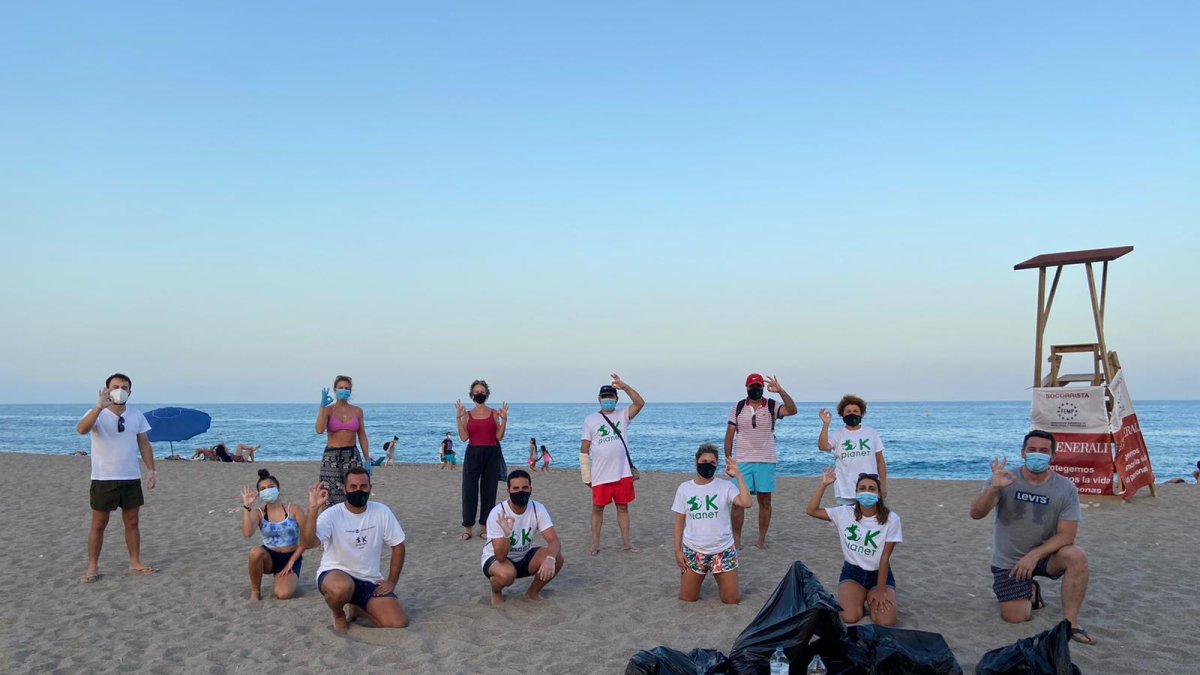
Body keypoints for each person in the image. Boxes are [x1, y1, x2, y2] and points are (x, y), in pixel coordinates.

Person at [969, 430, 1096, 645]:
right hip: (1010, 561)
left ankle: (1071, 624)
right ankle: (1031, 590)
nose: (1038, 454)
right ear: (1023, 453)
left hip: (1045, 556)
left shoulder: (1065, 488)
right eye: (1032, 449)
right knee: (1015, 617)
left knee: (1077, 556)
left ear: (1053, 456)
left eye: (1044, 451)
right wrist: (993, 489)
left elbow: (1067, 535)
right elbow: (976, 514)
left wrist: (1034, 556)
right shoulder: (1004, 479)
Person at [300, 468, 409, 630]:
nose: (358, 490)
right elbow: (308, 543)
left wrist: (392, 581)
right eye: (353, 487)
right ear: (345, 489)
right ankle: (338, 613)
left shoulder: (381, 511)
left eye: (363, 486)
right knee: (341, 588)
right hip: (336, 574)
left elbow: (398, 545)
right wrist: (313, 510)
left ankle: (358, 608)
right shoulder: (332, 514)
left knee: (397, 623)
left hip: (369, 579)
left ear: (370, 488)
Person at [75, 373, 158, 583]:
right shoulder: (97, 413)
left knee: (132, 521)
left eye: (124, 387)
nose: (120, 390)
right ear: (107, 390)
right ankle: (92, 567)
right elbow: (81, 430)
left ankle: (135, 562)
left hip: (130, 477)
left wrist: (151, 470)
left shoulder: (136, 415)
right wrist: (98, 407)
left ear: (130, 391)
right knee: (99, 523)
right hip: (103, 478)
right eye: (115, 386)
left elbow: (143, 442)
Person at [806, 468, 902, 625]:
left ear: (879, 494)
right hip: (853, 573)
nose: (867, 492)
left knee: (885, 622)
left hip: (879, 574)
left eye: (872, 489)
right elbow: (811, 510)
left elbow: (885, 557)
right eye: (862, 488)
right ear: (856, 493)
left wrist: (880, 589)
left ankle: (870, 596)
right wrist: (824, 485)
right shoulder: (844, 513)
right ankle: (858, 599)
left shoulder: (892, 519)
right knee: (849, 617)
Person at [724, 373, 798, 549]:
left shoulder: (772, 405)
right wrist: (728, 460)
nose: (755, 389)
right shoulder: (738, 407)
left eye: (758, 386)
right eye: (752, 386)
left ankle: (761, 540)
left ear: (763, 388)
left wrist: (781, 391)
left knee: (765, 501)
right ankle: (736, 540)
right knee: (738, 502)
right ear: (747, 387)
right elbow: (729, 435)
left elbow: (792, 410)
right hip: (742, 461)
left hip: (766, 460)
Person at [672, 444, 752, 604]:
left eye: (712, 462)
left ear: (716, 465)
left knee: (732, 599)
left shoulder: (726, 486)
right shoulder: (684, 489)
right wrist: (678, 551)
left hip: (723, 550)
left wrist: (738, 476)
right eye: (704, 461)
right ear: (696, 462)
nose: (707, 464)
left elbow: (746, 502)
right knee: (688, 598)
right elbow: (679, 521)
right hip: (694, 550)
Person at [580, 374, 646, 556]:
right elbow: (584, 448)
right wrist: (586, 474)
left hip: (622, 472)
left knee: (623, 507)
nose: (607, 400)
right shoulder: (590, 420)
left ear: (616, 399)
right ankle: (595, 544)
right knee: (597, 509)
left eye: (610, 397)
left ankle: (627, 543)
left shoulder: (622, 415)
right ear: (599, 399)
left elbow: (640, 403)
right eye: (604, 397)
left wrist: (624, 387)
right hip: (600, 473)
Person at [482, 469, 564, 606]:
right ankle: (496, 591)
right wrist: (507, 534)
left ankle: (532, 593)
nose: (521, 491)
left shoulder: (538, 508)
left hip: (525, 555)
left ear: (531, 489)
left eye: (525, 487)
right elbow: (500, 557)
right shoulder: (498, 513)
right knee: (506, 575)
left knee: (557, 558)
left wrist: (550, 559)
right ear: (508, 491)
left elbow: (554, 541)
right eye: (516, 488)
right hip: (497, 560)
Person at [241, 468, 306, 600]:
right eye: (263, 489)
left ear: (278, 488)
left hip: (291, 557)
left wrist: (292, 561)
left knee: (283, 594)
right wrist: (247, 506)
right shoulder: (259, 513)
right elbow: (247, 533)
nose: (267, 490)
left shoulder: (293, 509)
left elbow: (307, 539)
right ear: (259, 493)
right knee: (255, 552)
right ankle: (255, 591)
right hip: (269, 558)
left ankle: (281, 578)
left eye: (271, 487)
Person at [456, 380, 508, 539]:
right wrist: (458, 418)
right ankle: (468, 528)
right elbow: (464, 437)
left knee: (489, 490)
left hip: (491, 453)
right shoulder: (467, 415)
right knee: (469, 490)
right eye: (477, 392)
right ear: (472, 395)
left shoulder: (494, 413)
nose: (479, 394)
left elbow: (499, 436)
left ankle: (484, 527)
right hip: (473, 453)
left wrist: (504, 420)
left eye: (482, 392)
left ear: (487, 394)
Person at [819, 394, 888, 506]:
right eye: (848, 411)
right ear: (842, 414)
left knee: (871, 517)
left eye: (856, 411)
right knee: (847, 517)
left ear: (862, 414)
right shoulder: (838, 434)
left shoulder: (871, 433)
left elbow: (880, 461)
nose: (852, 413)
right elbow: (823, 447)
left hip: (870, 489)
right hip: (845, 489)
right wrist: (826, 424)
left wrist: (883, 485)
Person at [316, 376, 370, 505]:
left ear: (350, 391)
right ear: (335, 389)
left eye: (347, 388)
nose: (344, 390)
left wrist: (367, 459)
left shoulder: (357, 411)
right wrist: (322, 406)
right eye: (341, 388)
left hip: (352, 454)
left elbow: (362, 435)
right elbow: (319, 429)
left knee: (354, 490)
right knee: (329, 493)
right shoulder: (328, 410)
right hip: (331, 456)